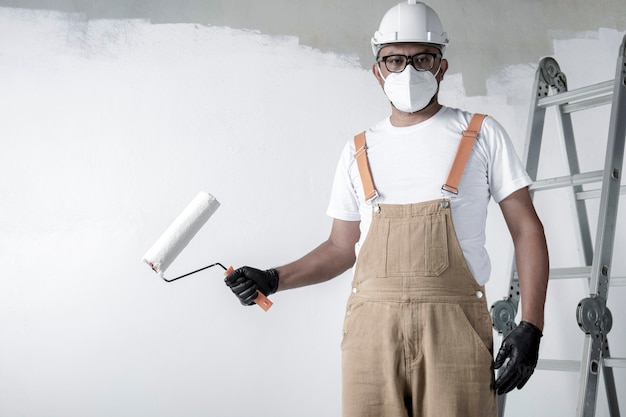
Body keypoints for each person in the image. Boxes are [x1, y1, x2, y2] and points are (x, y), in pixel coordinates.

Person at [224, 1, 549, 416]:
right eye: (395, 60)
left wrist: (531, 325)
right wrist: (273, 278)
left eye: (422, 59)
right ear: (378, 71)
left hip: (454, 332)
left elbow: (526, 228)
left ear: (442, 67)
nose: (408, 71)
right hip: (370, 335)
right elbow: (342, 248)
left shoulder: (481, 134)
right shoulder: (358, 148)